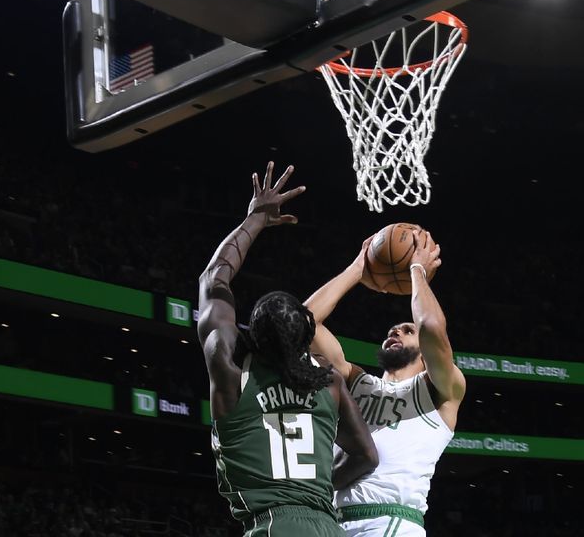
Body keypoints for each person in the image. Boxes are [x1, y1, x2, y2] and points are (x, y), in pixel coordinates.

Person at [197, 161, 378, 537]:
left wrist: (255, 219)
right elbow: (366, 457)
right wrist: (315, 488)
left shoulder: (230, 367)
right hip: (329, 527)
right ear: (304, 336)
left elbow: (213, 278)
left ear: (253, 334)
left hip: (273, 527)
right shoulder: (328, 380)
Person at [304, 230, 466, 536]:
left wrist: (416, 270)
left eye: (406, 329)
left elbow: (430, 326)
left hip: (391, 521)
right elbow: (303, 324)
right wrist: (356, 270)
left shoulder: (441, 391)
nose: (396, 332)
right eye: (392, 330)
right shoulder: (355, 383)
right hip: (333, 521)